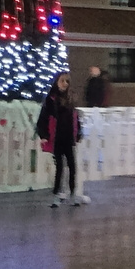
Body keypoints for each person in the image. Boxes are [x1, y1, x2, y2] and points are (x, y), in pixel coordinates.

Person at [38, 71, 88, 206]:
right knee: (60, 166)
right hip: (57, 137)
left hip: (68, 137)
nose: (65, 84)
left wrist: (78, 133)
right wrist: (43, 135)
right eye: (62, 81)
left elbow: (75, 118)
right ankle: (57, 194)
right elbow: (43, 118)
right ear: (57, 82)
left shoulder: (70, 99)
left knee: (72, 166)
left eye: (67, 81)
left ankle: (72, 193)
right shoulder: (51, 99)